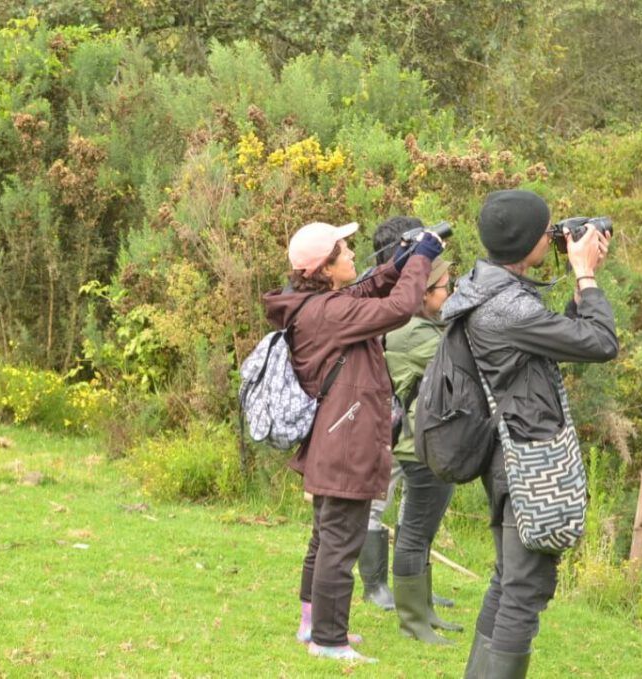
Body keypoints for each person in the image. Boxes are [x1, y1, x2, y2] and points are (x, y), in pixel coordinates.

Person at [441, 190, 617, 678]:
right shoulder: (509, 309)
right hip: (527, 462)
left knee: (508, 579)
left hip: (506, 454)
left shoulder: (484, 288)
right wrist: (585, 274)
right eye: (548, 231)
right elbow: (600, 343)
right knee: (524, 588)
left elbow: (557, 335)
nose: (554, 235)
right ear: (525, 242)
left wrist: (581, 289)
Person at [263, 220, 444, 663]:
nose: (351, 256)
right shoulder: (328, 312)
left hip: (334, 438)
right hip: (346, 441)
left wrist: (400, 260)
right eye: (343, 251)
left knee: (326, 538)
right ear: (325, 268)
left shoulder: (317, 303)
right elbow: (400, 307)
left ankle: (312, 622)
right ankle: (329, 639)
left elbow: (369, 290)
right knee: (340, 544)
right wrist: (423, 257)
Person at [384, 251, 464, 644]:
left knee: (422, 532)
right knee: (415, 533)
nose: (450, 294)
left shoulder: (422, 326)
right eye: (446, 288)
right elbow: (460, 365)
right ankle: (413, 621)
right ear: (424, 293)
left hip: (429, 442)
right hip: (420, 445)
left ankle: (424, 610)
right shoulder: (413, 332)